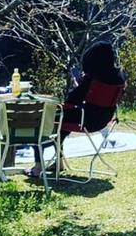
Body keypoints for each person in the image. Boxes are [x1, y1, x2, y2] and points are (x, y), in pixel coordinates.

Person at [27, 42, 126, 178]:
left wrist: (78, 86)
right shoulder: (119, 77)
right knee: (63, 126)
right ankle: (59, 162)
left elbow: (70, 102)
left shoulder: (93, 79)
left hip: (86, 121)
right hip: (104, 120)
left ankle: (38, 166)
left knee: (44, 120)